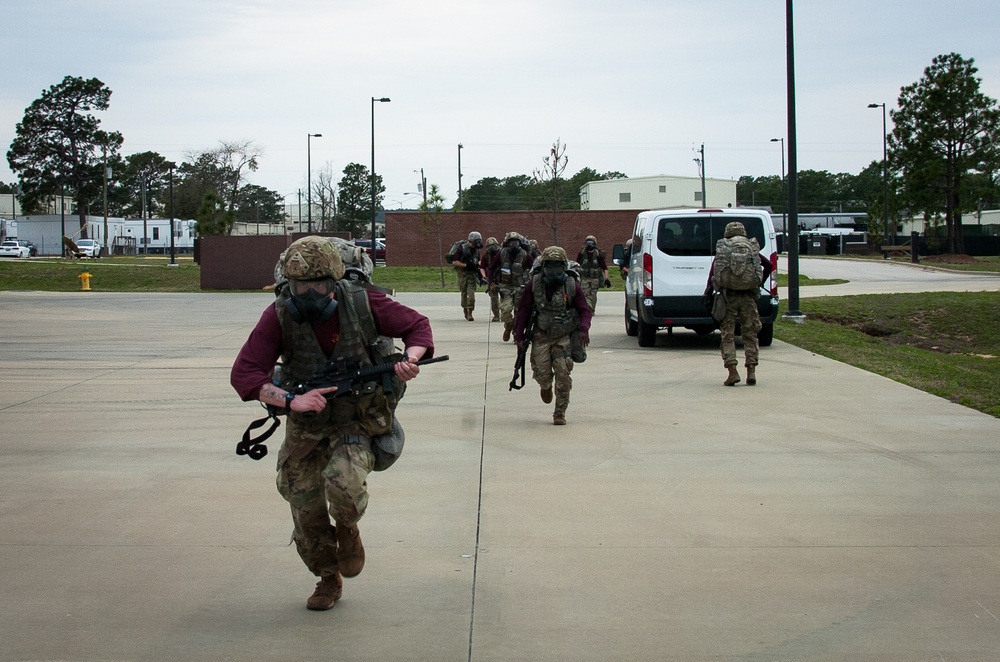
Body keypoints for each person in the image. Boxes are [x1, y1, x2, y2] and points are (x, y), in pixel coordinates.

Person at [230, 236, 434, 611]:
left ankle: (348, 528)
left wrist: (412, 359)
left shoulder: (362, 302)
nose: (308, 294)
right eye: (299, 287)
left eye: (318, 286)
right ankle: (327, 577)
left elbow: (418, 327)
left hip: (355, 419)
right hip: (306, 424)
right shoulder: (278, 314)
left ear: (335, 282)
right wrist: (292, 400)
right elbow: (244, 374)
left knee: (343, 485)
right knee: (301, 501)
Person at [513, 246, 593, 425]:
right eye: (550, 267)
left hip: (563, 336)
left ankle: (559, 412)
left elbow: (584, 309)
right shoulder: (534, 284)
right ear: (543, 267)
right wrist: (519, 336)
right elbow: (523, 310)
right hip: (541, 334)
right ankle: (545, 385)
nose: (554, 272)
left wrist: (583, 329)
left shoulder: (571, 285)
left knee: (563, 375)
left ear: (564, 267)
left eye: (558, 267)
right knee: (542, 373)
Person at [703, 221, 772, 386]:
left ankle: (732, 371)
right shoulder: (751, 248)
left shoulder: (724, 248)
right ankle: (751, 371)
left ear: (727, 233)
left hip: (728, 298)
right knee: (750, 334)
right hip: (748, 298)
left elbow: (714, 271)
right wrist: (759, 282)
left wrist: (708, 291)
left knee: (728, 335)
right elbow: (768, 265)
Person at [488, 231, 535, 343]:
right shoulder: (502, 253)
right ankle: (508, 326)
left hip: (520, 287)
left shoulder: (524, 254)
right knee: (505, 311)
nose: (514, 245)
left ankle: (516, 333)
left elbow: (534, 268)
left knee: (519, 313)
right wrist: (491, 283)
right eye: (511, 243)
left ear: (520, 243)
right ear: (507, 244)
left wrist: (532, 283)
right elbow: (491, 268)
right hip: (506, 287)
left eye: (516, 242)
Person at [448, 231, 485, 321]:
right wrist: (466, 265)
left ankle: (470, 312)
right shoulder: (462, 248)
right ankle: (465, 310)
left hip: (472, 274)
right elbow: (455, 261)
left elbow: (478, 261)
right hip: (463, 275)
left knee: (471, 295)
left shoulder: (476, 250)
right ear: (472, 240)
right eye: (477, 241)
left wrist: (481, 267)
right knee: (464, 293)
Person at [575, 235, 610, 312]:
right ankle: (587, 308)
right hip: (584, 278)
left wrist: (606, 279)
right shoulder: (582, 253)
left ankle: (591, 309)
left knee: (593, 295)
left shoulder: (598, 254)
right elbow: (576, 265)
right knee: (585, 294)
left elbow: (605, 267)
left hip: (595, 279)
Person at [480, 236, 501, 322]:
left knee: (505, 297)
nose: (491, 248)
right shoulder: (486, 256)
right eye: (489, 246)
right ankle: (496, 315)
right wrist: (485, 276)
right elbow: (482, 267)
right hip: (491, 280)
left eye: (493, 245)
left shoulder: (502, 254)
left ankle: (505, 314)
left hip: (503, 279)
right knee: (494, 298)